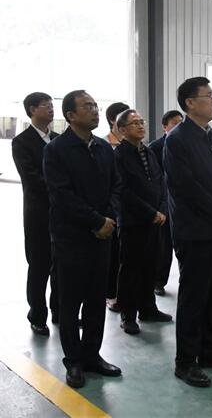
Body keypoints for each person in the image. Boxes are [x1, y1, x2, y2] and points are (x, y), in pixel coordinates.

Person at [164, 77, 212, 388]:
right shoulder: (177, 139)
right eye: (208, 96)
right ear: (190, 103)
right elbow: (186, 188)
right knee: (193, 298)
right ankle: (185, 361)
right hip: (195, 232)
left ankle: (209, 350)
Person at [43, 90, 122, 388]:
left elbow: (117, 186)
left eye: (95, 105)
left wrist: (109, 218)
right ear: (71, 115)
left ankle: (92, 355)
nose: (95, 110)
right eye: (87, 106)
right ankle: (74, 361)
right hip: (71, 237)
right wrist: (96, 221)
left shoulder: (103, 148)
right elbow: (61, 195)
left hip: (102, 236)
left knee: (95, 299)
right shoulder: (56, 150)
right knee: (70, 300)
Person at [114, 109, 172, 335]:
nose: (140, 126)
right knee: (131, 269)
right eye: (134, 123)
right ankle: (128, 315)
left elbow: (161, 182)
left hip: (156, 219)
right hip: (133, 221)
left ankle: (148, 309)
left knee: (151, 265)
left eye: (141, 122)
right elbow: (123, 190)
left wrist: (162, 209)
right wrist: (150, 212)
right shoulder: (119, 155)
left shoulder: (148, 151)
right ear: (122, 129)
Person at [12, 92, 59, 336]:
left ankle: (61, 312)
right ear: (32, 110)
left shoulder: (59, 139)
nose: (51, 109)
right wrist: (62, 189)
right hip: (38, 213)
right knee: (39, 266)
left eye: (52, 105)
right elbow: (31, 178)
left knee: (62, 267)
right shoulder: (21, 142)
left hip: (63, 213)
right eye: (45, 105)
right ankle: (38, 316)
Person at [149, 109, 183, 296]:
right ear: (164, 126)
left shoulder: (186, 145)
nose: (178, 126)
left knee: (183, 244)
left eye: (180, 123)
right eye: (174, 123)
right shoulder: (155, 147)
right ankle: (158, 281)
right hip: (164, 202)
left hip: (183, 204)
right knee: (164, 246)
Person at [104, 102, 130, 313]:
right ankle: (111, 294)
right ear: (114, 120)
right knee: (113, 255)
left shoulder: (133, 143)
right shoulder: (105, 145)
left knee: (127, 257)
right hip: (113, 208)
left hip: (131, 209)